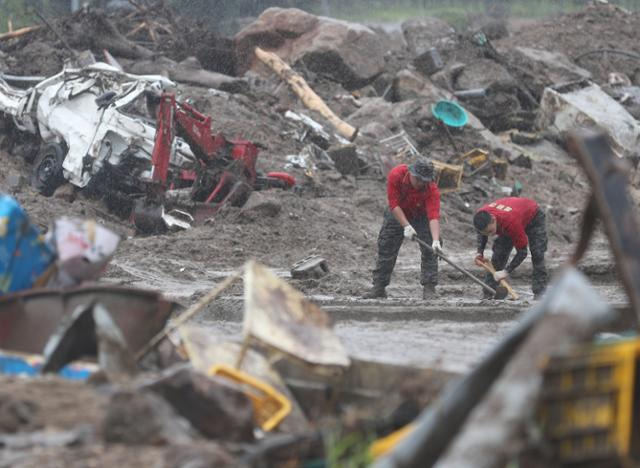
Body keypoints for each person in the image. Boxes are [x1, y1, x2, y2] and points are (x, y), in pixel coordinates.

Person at [364, 157, 442, 299]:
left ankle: (429, 289)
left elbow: (433, 216)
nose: (420, 183)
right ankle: (379, 287)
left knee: (431, 250)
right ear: (411, 173)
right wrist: (406, 226)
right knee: (386, 247)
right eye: (418, 179)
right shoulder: (396, 175)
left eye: (424, 180)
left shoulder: (431, 189)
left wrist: (435, 240)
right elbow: (394, 204)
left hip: (421, 214)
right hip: (398, 211)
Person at [473, 197, 548, 299]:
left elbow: (522, 252)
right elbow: (482, 234)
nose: (489, 235)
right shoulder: (481, 217)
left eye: (490, 232)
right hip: (510, 218)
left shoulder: (511, 222)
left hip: (533, 218)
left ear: (493, 219)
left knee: (537, 253)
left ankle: (539, 293)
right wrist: (479, 253)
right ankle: (489, 292)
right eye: (486, 233)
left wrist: (506, 271)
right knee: (498, 255)